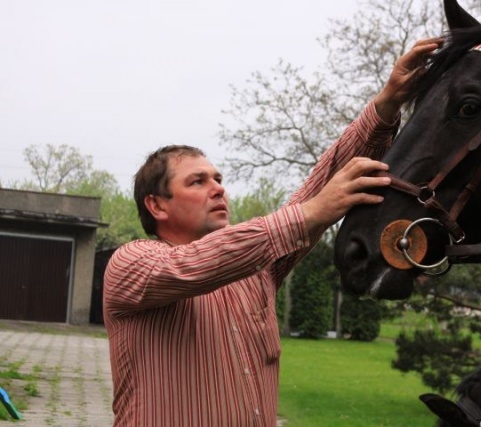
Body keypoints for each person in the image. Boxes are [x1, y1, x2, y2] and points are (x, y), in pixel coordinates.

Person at [103, 37, 443, 427]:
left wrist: (385, 106)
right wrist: (310, 212)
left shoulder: (254, 273)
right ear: (157, 205)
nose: (218, 189)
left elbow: (317, 190)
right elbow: (193, 264)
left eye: (218, 179)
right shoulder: (131, 266)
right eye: (197, 181)